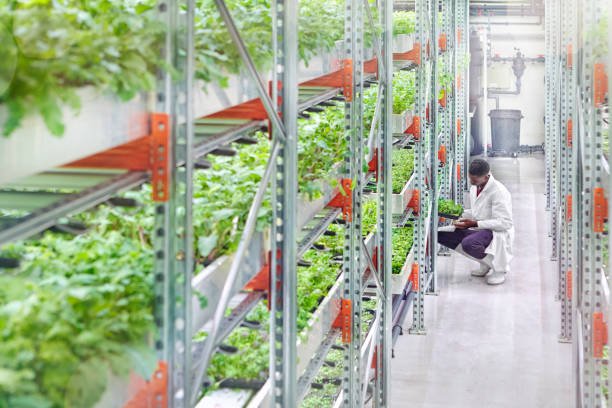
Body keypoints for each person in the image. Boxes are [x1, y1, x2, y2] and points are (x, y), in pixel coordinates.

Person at [438, 159, 514, 285]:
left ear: (487, 176)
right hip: (481, 227)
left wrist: (474, 224)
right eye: (470, 179)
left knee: (469, 244)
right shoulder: (477, 186)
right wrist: (458, 215)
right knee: (442, 235)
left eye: (475, 180)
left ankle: (499, 269)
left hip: (496, 231)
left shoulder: (498, 192)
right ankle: (485, 263)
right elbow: (477, 211)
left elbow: (505, 222)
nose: (472, 183)